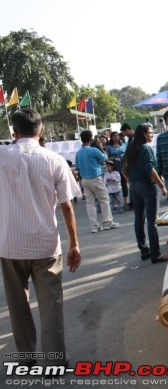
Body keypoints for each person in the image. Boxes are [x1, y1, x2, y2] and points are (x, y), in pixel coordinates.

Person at [0, 108, 81, 368]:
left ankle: (25, 359)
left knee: (18, 305)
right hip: (46, 245)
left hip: (10, 244)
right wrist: (74, 244)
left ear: (14, 131)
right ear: (41, 130)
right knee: (51, 306)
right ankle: (54, 363)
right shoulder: (54, 160)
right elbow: (67, 206)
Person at [123, 124, 168, 263]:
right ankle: (155, 253)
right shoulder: (145, 148)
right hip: (147, 186)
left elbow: (123, 170)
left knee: (139, 218)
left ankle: (144, 250)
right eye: (150, 132)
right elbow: (151, 170)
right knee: (152, 220)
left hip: (134, 186)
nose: (152, 134)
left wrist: (130, 181)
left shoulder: (131, 147)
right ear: (143, 134)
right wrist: (162, 186)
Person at [75, 130, 120, 233]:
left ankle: (94, 226)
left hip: (85, 180)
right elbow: (104, 157)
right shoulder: (93, 150)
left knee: (90, 203)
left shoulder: (78, 152)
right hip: (95, 178)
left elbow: (77, 166)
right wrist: (100, 146)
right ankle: (107, 222)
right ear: (91, 139)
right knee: (104, 200)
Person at [119, 123, 134, 210]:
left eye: (124, 133)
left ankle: (133, 203)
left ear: (127, 130)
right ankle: (132, 203)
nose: (124, 135)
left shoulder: (134, 137)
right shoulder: (130, 138)